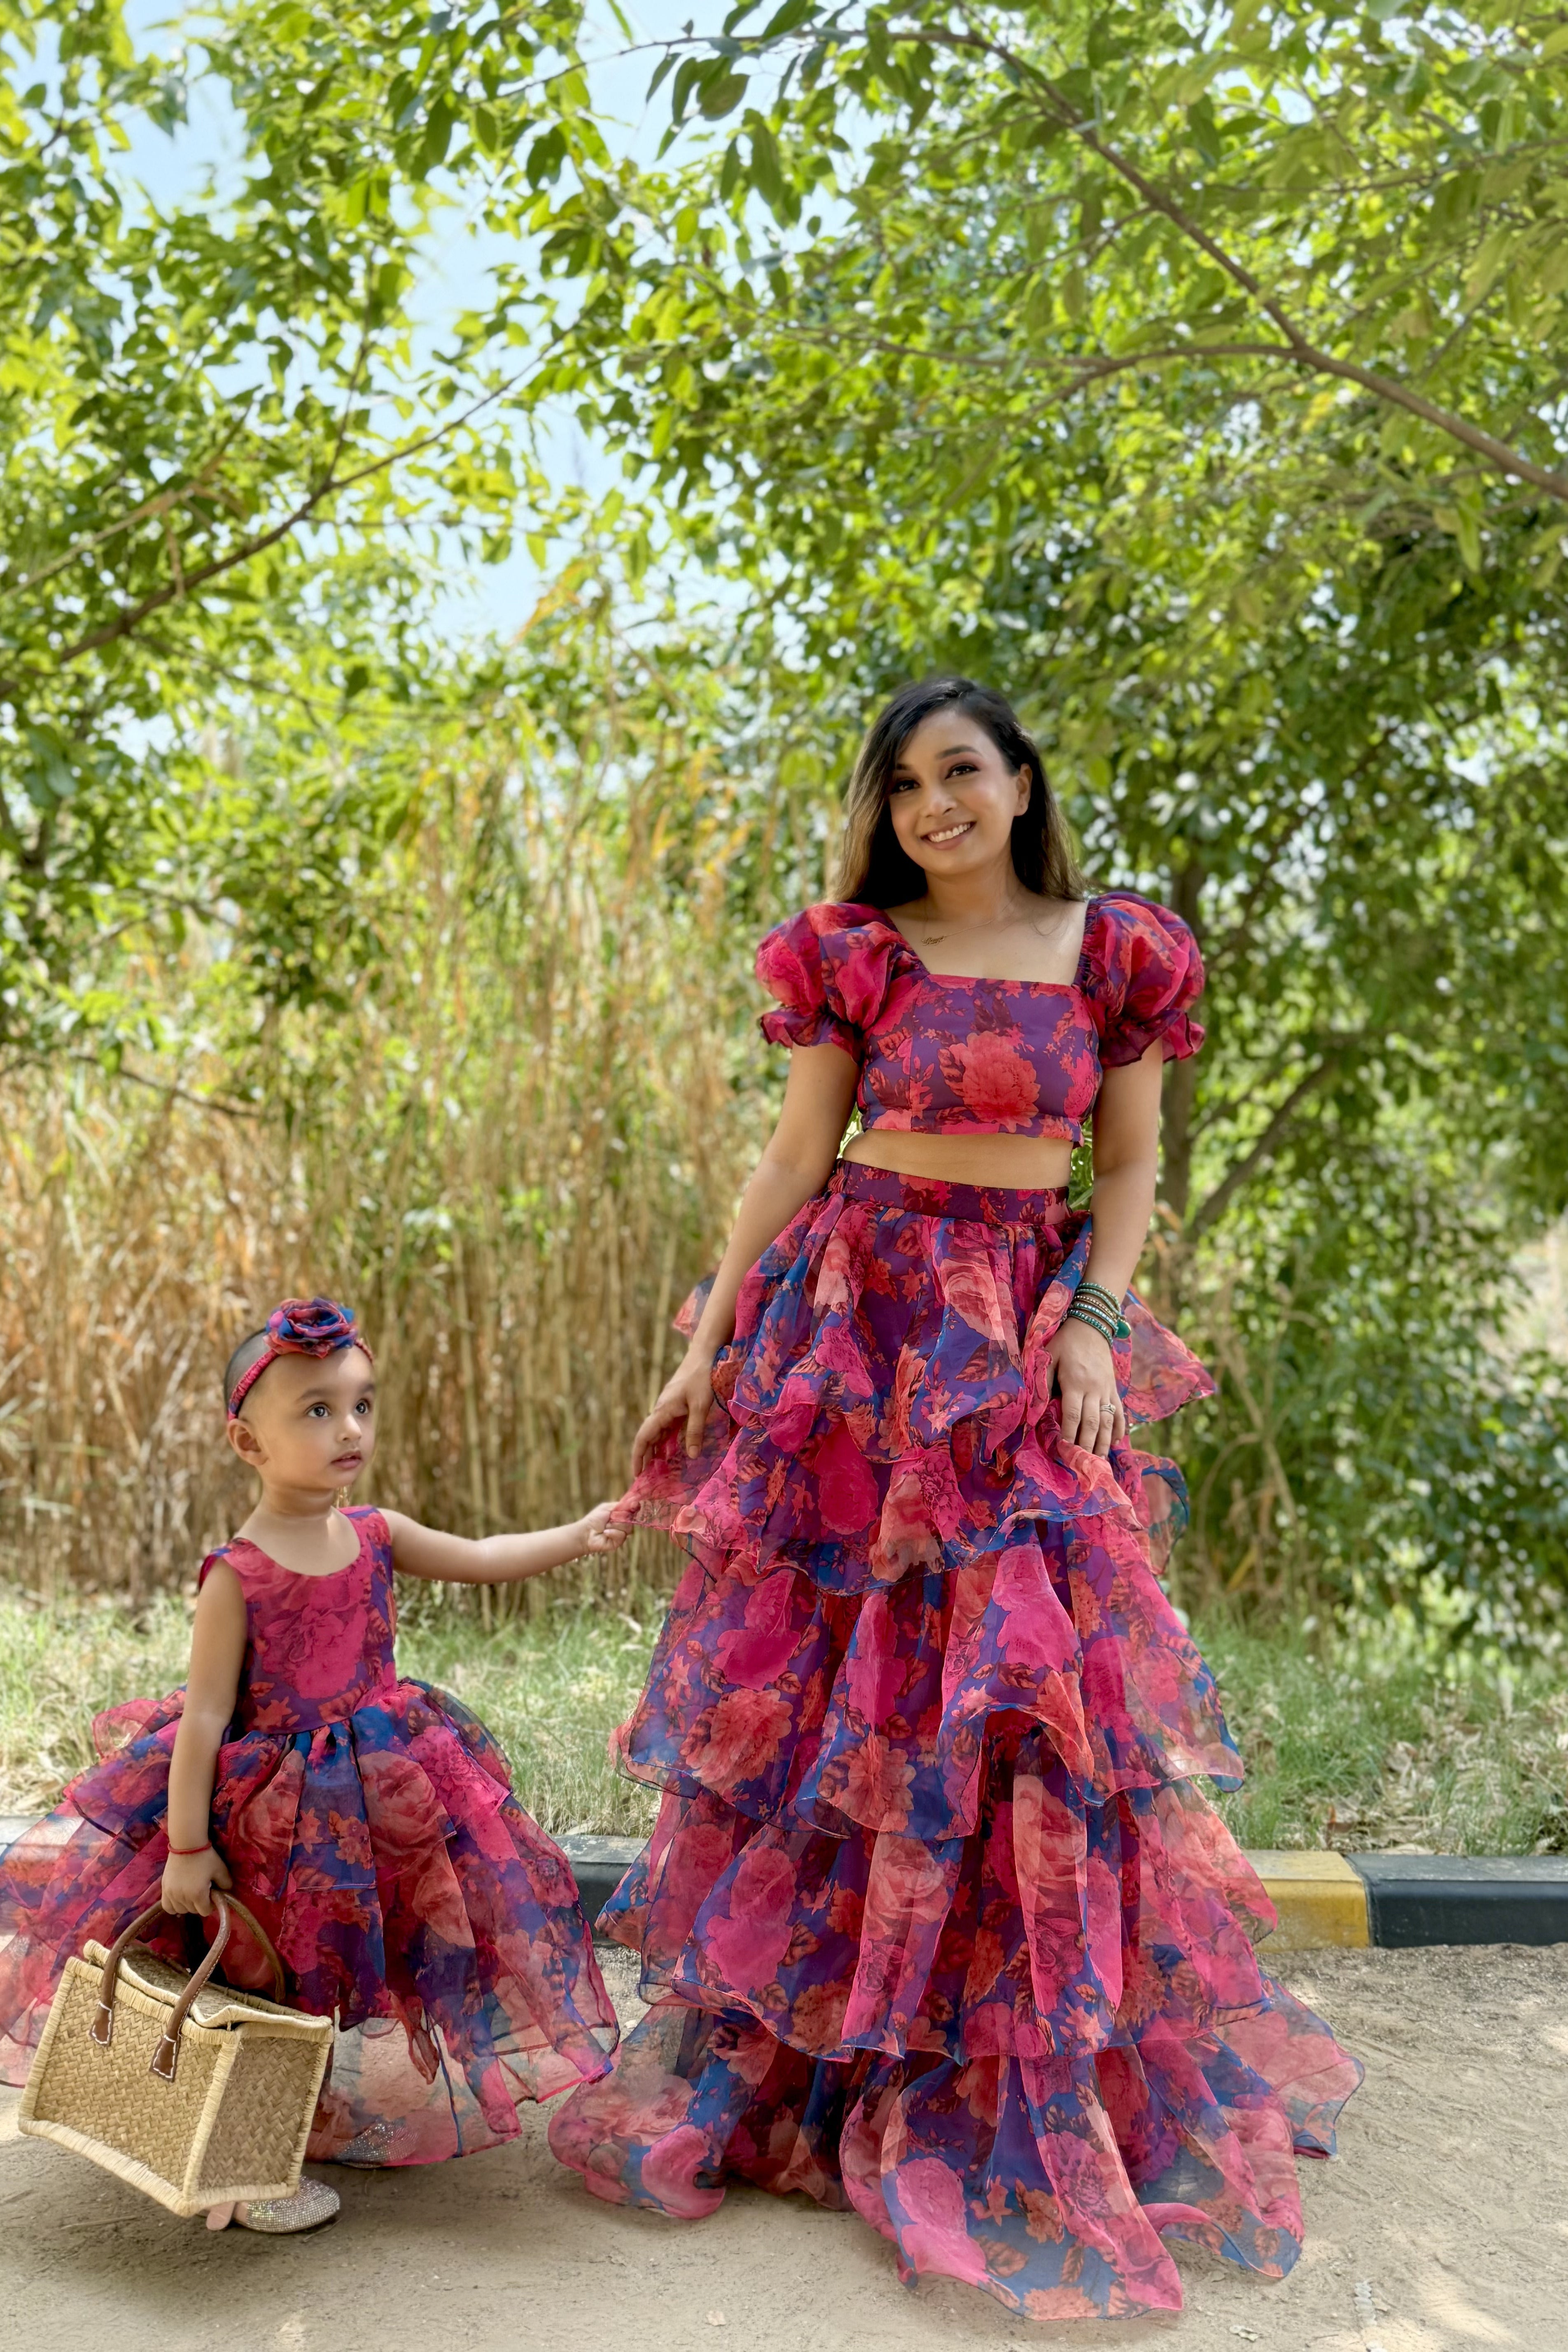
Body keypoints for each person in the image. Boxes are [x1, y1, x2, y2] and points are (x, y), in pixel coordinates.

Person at [548, 677, 1362, 2322]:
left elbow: (1125, 1167)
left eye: (962, 773)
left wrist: (1096, 1327)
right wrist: (704, 1346)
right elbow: (790, 1160)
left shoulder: (1117, 950)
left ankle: (1000, 2049)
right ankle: (822, 2061)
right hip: (861, 1324)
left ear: (1021, 782)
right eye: (905, 784)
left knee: (1028, 1699)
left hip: (1025, 1333)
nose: (934, 806)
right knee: (840, 1689)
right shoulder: (856, 954)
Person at [0, 1296, 625, 2233]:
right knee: (260, 1976)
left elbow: (484, 1554)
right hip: (272, 1812)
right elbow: (205, 1719)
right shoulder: (237, 1574)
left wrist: (576, 1535)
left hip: (378, 1788)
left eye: (362, 1405)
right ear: (247, 1444)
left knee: (347, 1963)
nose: (350, 1429)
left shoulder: (375, 1533)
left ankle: (295, 2118)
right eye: (317, 1410)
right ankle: (240, 2166)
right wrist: (183, 1847)